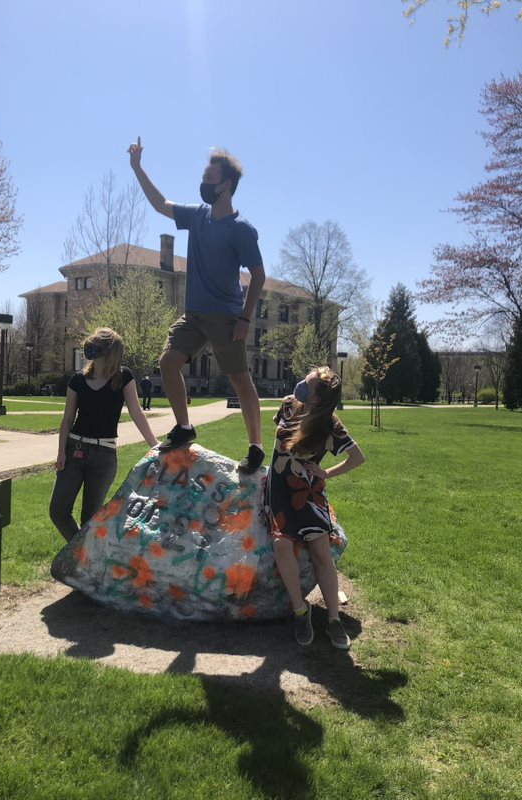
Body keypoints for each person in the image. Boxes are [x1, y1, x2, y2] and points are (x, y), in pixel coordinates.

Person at [128, 136, 266, 473]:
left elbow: (259, 276)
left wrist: (245, 319)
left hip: (226, 318)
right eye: (203, 178)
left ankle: (256, 447)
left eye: (209, 179)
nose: (203, 184)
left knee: (240, 380)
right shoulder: (198, 216)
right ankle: (185, 427)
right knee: (168, 361)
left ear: (227, 184)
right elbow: (161, 204)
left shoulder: (241, 230)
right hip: (194, 315)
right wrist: (137, 167)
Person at [265, 366, 365, 649]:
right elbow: (279, 447)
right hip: (279, 492)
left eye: (307, 385)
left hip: (307, 493)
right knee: (282, 545)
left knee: (320, 549)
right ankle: (300, 611)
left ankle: (334, 619)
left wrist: (326, 473)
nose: (299, 386)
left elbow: (358, 457)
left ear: (318, 399)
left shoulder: (330, 426)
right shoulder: (287, 406)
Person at [49, 327, 158, 543]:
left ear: (110, 351)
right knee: (58, 511)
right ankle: (83, 554)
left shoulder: (124, 377)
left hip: (104, 456)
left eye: (97, 343)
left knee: (91, 518)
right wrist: (61, 451)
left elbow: (136, 412)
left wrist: (154, 444)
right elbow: (67, 419)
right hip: (74, 451)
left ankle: (85, 560)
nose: (91, 345)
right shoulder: (77, 380)